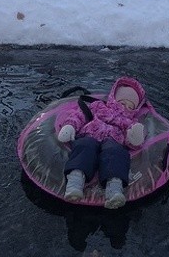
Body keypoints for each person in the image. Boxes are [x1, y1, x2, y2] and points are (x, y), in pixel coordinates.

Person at [54, 77, 146, 209]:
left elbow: (129, 141)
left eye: (130, 106)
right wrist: (70, 126)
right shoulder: (99, 106)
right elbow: (80, 115)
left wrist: (134, 139)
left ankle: (114, 190)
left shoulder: (130, 122)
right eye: (121, 102)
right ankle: (74, 183)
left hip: (113, 141)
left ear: (135, 109)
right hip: (90, 135)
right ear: (113, 99)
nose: (124, 107)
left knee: (117, 153)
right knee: (84, 145)